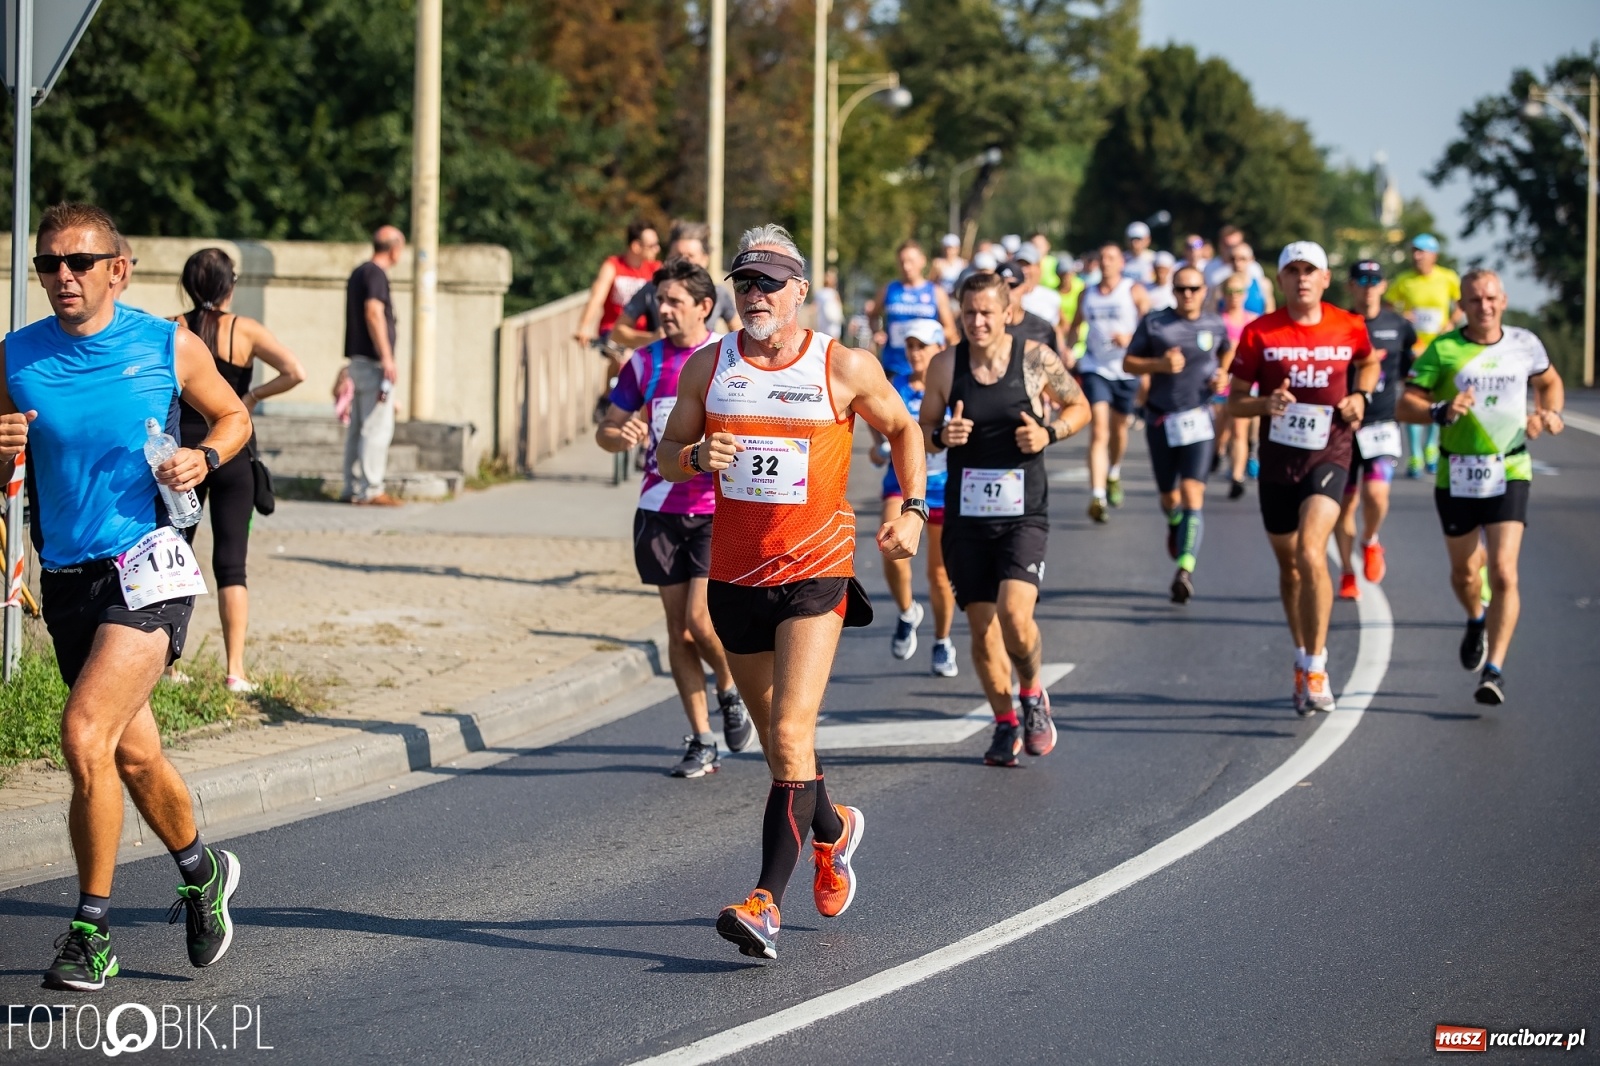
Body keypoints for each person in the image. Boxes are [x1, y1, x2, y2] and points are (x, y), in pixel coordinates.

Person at [658, 225, 926, 960]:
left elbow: (905, 430)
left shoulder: (841, 365)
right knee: (787, 746)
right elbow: (667, 456)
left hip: (816, 572)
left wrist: (912, 509)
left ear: (800, 292)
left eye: (770, 283)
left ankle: (764, 902)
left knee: (786, 734)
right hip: (736, 578)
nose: (755, 296)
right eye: (745, 283)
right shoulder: (709, 367)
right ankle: (833, 832)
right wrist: (693, 454)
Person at [2, 203, 253, 990]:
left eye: (77, 262)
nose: (61, 277)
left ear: (119, 267)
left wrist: (202, 457)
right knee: (135, 756)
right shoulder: (15, 357)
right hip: (69, 577)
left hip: (149, 565)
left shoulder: (164, 343)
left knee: (82, 734)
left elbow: (234, 414)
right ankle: (201, 871)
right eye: (48, 264)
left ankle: (91, 931)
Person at [922, 272, 1090, 767]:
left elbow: (1079, 407)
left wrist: (1048, 433)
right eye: (969, 312)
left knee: (1016, 617)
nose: (977, 322)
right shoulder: (944, 366)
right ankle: (1004, 722)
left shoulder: (1035, 359)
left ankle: (1033, 694)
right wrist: (941, 437)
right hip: (966, 516)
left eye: (987, 313)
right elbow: (924, 426)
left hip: (1023, 513)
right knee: (981, 629)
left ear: (1007, 314)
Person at [596, 259, 752, 775]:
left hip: (714, 510)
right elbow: (607, 426)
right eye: (658, 301)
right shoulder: (644, 363)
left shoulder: (725, 360)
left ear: (705, 307)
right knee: (677, 631)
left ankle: (729, 689)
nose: (661, 310)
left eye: (674, 301)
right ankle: (702, 738)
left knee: (699, 622)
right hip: (658, 510)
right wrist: (616, 435)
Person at [1397, 269, 1564, 705]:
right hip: (1457, 473)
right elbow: (1405, 404)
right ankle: (1475, 618)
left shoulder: (1524, 344)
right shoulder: (1445, 348)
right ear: (1463, 306)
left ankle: (1495, 670)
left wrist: (1548, 413)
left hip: (1510, 466)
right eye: (1474, 300)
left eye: (1491, 298)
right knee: (1465, 573)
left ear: (1503, 300)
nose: (1484, 306)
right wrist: (1441, 409)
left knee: (1505, 571)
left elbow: (1549, 381)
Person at [1227, 241, 1376, 715]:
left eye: (1310, 270)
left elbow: (1368, 362)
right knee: (1290, 568)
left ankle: (1318, 664)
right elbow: (1234, 400)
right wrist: (1263, 405)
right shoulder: (1259, 333)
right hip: (1277, 462)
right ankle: (1299, 655)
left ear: (1326, 278)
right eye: (1292, 271)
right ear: (1280, 280)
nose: (1302, 278)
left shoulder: (1348, 326)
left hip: (1330, 452)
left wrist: (1362, 398)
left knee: (1314, 552)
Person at [176, 249, 307, 692]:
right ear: (230, 285)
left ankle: (169, 665)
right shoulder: (244, 330)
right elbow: (295, 371)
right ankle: (236, 670)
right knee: (232, 564)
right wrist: (249, 400)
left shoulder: (173, 327)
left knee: (175, 557)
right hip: (232, 450)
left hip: (184, 455)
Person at [1123, 265, 1232, 603]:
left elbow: (1227, 349)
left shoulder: (1214, 323)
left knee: (1192, 493)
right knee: (1170, 498)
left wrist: (1223, 374)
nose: (1188, 295)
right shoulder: (1156, 322)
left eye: (1194, 289)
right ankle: (1175, 521)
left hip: (1199, 419)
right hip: (1161, 420)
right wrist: (1158, 366)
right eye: (1182, 289)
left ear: (1204, 291)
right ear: (1173, 291)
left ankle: (1184, 570)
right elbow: (1129, 362)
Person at [870, 318, 957, 675]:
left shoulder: (954, 388)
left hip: (943, 485)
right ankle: (908, 612)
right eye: (910, 345)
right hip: (901, 484)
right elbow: (878, 426)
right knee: (889, 545)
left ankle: (942, 641)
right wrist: (878, 448)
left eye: (922, 345)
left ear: (939, 348)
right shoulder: (894, 386)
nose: (915, 352)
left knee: (938, 573)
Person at [1334, 260, 1416, 601]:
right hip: (1343, 425)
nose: (1368, 286)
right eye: (1361, 280)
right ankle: (1347, 571)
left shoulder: (1399, 326)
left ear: (1384, 286)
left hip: (1382, 421)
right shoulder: (1339, 323)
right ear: (1351, 286)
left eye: (1375, 280)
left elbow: (1411, 371)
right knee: (1345, 504)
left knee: (1377, 495)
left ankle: (1371, 540)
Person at [1068, 242, 1149, 522]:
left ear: (1121, 263)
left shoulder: (1133, 290)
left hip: (1126, 369)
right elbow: (1075, 326)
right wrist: (1068, 350)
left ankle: (1114, 471)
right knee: (1099, 429)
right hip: (1095, 367)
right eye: (1102, 258)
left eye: (1111, 258)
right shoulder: (1087, 294)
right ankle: (1097, 495)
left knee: (1118, 430)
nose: (1106, 262)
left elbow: (1151, 325)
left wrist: (1132, 339)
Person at [1388, 233, 1462, 478]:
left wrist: (1451, 322)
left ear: (1434, 255)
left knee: (1435, 398)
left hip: (1440, 348)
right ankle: (1415, 455)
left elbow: (1462, 303)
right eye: (1414, 251)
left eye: (1422, 252)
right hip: (1414, 349)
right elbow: (1388, 305)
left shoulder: (1447, 278)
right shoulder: (1404, 280)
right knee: (1413, 397)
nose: (1417, 256)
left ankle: (1431, 447)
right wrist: (1401, 318)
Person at [342, 225, 405, 507]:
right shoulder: (376, 274)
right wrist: (388, 357)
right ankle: (371, 488)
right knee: (376, 427)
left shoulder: (359, 272)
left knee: (358, 427)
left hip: (358, 361)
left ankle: (352, 485)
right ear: (394, 249)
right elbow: (374, 312)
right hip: (373, 364)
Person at [606, 221, 741, 350]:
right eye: (678, 255)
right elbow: (617, 333)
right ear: (668, 256)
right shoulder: (652, 289)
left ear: (705, 259)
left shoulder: (718, 294)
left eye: (690, 256)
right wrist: (651, 338)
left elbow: (740, 336)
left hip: (707, 370)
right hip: (662, 367)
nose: (683, 262)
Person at [873, 239, 958, 385]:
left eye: (911, 261)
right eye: (902, 262)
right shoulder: (889, 290)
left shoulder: (935, 292)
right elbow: (873, 315)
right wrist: (877, 331)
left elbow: (951, 331)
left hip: (926, 369)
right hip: (894, 367)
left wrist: (925, 338)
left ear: (922, 261)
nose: (906, 266)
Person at [1217, 271, 1261, 499]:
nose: (1235, 296)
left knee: (1238, 430)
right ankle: (1217, 452)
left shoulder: (1253, 321)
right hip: (1221, 382)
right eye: (1230, 291)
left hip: (1244, 382)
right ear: (1223, 294)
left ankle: (1237, 476)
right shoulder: (1217, 321)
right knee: (1221, 429)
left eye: (1239, 291)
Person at [1203, 225, 1263, 293]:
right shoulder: (1210, 268)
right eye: (1227, 245)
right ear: (1220, 244)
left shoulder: (1253, 267)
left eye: (1235, 245)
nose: (1232, 249)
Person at [815, 267, 845, 339]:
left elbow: (838, 307)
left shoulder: (834, 293)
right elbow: (815, 305)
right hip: (823, 322)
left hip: (832, 322)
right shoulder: (820, 292)